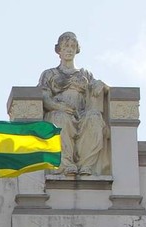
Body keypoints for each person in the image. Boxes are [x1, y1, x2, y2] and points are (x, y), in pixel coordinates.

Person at [38, 32, 108, 176]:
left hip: (81, 113)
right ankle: (65, 164)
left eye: (72, 46)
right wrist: (59, 107)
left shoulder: (85, 74)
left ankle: (86, 165)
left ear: (77, 49)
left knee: (94, 118)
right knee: (59, 119)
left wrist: (103, 85)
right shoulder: (49, 74)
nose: (69, 49)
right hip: (59, 110)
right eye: (65, 46)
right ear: (59, 50)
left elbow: (101, 88)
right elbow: (45, 98)